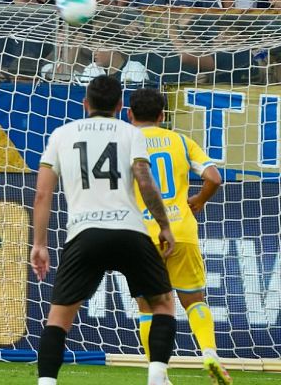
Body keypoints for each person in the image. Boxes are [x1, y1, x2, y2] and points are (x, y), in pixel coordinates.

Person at [31, 75, 176, 385]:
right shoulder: (131, 132)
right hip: (129, 230)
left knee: (58, 319)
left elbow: (43, 194)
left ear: (86, 104)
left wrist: (39, 244)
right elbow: (144, 179)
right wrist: (163, 225)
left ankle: (46, 383)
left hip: (84, 234)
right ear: (121, 106)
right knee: (163, 303)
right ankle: (156, 377)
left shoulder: (61, 134)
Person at [127, 87, 231, 385]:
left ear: (130, 114)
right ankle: (209, 353)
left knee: (148, 306)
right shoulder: (182, 141)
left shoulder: (125, 143)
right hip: (181, 231)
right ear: (163, 115)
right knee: (193, 299)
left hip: (144, 234)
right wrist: (199, 200)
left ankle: (159, 374)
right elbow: (214, 178)